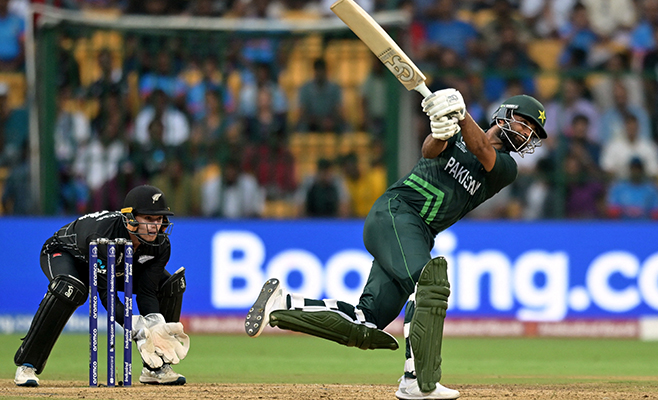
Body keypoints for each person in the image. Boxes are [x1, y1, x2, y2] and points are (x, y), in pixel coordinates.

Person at [246, 90, 548, 399]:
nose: (526, 135)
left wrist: (459, 113)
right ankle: (417, 381)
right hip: (397, 212)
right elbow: (429, 151)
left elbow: (482, 148)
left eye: (531, 133)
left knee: (366, 323)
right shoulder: (458, 133)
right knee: (430, 284)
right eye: (524, 124)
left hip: (415, 233)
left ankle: (282, 304)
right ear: (504, 114)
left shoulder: (506, 168)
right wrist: (440, 132)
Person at [13, 185, 190, 387]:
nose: (154, 227)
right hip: (68, 255)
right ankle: (28, 365)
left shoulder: (160, 245)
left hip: (115, 265)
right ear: (130, 218)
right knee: (70, 289)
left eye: (159, 220)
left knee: (170, 285)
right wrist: (134, 327)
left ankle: (157, 368)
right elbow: (106, 294)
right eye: (148, 219)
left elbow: (147, 291)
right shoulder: (104, 237)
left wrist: (154, 326)